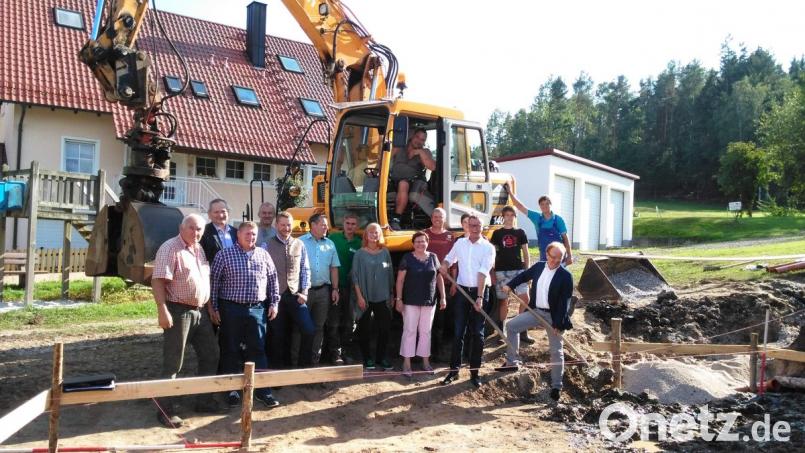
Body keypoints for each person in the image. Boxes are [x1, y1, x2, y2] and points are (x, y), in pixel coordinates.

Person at [151, 214, 219, 428]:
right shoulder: (170, 248)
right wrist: (162, 310)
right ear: (182, 227)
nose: (196, 232)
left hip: (201, 312)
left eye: (199, 229)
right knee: (173, 362)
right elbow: (158, 281)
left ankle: (203, 400)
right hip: (178, 310)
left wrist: (210, 308)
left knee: (211, 355)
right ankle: (165, 410)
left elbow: (203, 282)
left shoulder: (198, 249)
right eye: (192, 228)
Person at [209, 221, 281, 409]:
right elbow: (214, 283)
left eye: (254, 234)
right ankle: (232, 390)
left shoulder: (263, 255)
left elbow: (273, 280)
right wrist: (214, 307)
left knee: (258, 349)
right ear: (238, 235)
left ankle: (263, 391)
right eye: (247, 234)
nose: (251, 237)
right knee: (230, 348)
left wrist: (274, 303)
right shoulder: (224, 255)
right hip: (231, 309)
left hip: (257, 309)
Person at [497, 242, 574, 401]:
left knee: (556, 350)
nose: (554, 261)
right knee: (511, 326)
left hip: (554, 316)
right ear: (547, 254)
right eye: (552, 257)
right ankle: (512, 361)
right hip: (536, 311)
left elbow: (564, 303)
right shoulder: (539, 267)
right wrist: (510, 285)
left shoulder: (566, 276)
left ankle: (556, 386)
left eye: (558, 259)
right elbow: (524, 276)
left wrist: (558, 324)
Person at [439, 215, 496, 389]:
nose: (475, 228)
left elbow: (482, 273)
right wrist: (444, 265)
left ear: (482, 226)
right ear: (467, 227)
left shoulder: (488, 248)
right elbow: (450, 258)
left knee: (478, 334)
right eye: (472, 225)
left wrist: (479, 297)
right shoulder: (460, 244)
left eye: (478, 225)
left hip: (481, 291)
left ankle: (474, 373)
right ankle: (454, 371)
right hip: (463, 292)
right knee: (458, 332)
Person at [265, 212, 314, 368]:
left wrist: (305, 292)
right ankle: (279, 372)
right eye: (283, 224)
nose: (286, 228)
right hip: (275, 297)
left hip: (295, 295)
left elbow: (305, 269)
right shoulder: (267, 244)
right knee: (278, 336)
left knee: (309, 329)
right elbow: (262, 272)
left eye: (288, 225)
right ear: (276, 225)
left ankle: (303, 368)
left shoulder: (299, 244)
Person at [395, 231, 445, 377]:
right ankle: (406, 363)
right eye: (417, 241)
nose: (420, 244)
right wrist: (399, 299)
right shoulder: (407, 258)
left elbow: (439, 277)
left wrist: (443, 297)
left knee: (425, 332)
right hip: (410, 301)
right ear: (413, 243)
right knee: (410, 331)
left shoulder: (434, 257)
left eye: (423, 241)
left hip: (429, 301)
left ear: (427, 242)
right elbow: (400, 280)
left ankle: (425, 361)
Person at [298, 213, 341, 365]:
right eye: (323, 225)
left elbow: (334, 268)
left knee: (319, 326)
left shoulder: (329, 244)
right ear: (313, 225)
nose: (326, 227)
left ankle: (313, 361)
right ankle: (297, 362)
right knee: (300, 327)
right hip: (304, 292)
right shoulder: (300, 242)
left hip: (323, 292)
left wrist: (335, 289)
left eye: (326, 225)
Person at [352, 223, 395, 370]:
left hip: (382, 296)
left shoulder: (385, 252)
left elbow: (390, 275)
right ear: (365, 235)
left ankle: (381, 357)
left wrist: (391, 294)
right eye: (371, 232)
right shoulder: (359, 253)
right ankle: (367, 358)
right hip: (365, 296)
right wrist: (359, 297)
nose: (374, 234)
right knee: (364, 329)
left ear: (380, 235)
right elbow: (355, 277)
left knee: (385, 328)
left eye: (376, 232)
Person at [491, 206, 533, 344]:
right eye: (507, 215)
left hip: (518, 271)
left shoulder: (520, 232)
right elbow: (493, 254)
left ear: (515, 217)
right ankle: (501, 332)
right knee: (503, 301)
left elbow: (526, 253)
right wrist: (492, 271)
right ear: (503, 217)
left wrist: (528, 273)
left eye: (512, 215)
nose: (509, 217)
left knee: (525, 299)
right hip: (502, 272)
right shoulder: (497, 234)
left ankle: (522, 330)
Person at [505, 185, 573, 265]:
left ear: (551, 205)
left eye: (547, 204)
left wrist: (569, 256)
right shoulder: (536, 217)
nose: (544, 206)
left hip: (559, 257)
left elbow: (565, 238)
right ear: (539, 206)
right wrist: (510, 192)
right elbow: (520, 207)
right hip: (544, 257)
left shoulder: (558, 220)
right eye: (542, 204)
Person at [327, 213, 363, 364]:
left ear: (357, 226)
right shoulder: (333, 238)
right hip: (334, 286)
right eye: (348, 223)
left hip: (352, 288)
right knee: (333, 321)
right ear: (343, 223)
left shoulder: (359, 242)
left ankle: (346, 350)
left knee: (349, 321)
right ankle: (334, 353)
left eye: (353, 224)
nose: (350, 226)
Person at [389, 128, 437, 230]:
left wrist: (420, 152)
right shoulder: (399, 147)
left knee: (403, 184)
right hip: (393, 180)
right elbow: (384, 160)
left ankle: (396, 219)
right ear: (412, 136)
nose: (419, 141)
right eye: (417, 137)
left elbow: (432, 167)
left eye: (422, 140)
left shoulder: (425, 152)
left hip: (414, 182)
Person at [424, 208, 455, 360]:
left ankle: (438, 351)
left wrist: (454, 281)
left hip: (446, 282)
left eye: (440, 217)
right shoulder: (424, 234)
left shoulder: (450, 236)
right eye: (435, 216)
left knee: (442, 319)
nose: (437, 219)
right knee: (427, 319)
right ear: (431, 218)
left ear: (444, 218)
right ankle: (425, 351)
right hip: (427, 283)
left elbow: (455, 260)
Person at [200, 198, 237, 264]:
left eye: (223, 211)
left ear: (228, 213)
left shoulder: (236, 232)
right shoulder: (203, 232)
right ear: (209, 214)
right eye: (216, 212)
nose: (220, 215)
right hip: (213, 273)